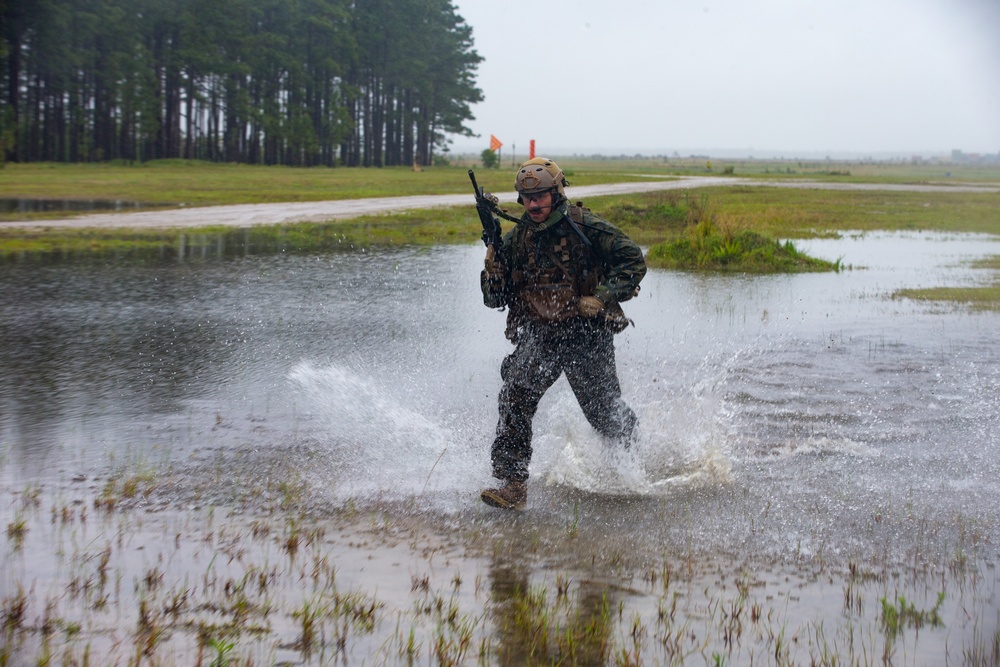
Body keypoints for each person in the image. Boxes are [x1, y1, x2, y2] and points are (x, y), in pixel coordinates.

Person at [479, 158, 647, 509]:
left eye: (540, 196)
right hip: (539, 334)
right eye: (526, 199)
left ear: (556, 193)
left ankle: (635, 462)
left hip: (586, 334)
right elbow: (494, 299)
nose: (533, 205)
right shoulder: (516, 239)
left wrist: (600, 297)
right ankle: (513, 485)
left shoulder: (586, 227)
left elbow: (633, 259)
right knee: (515, 394)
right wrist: (493, 271)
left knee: (604, 413)